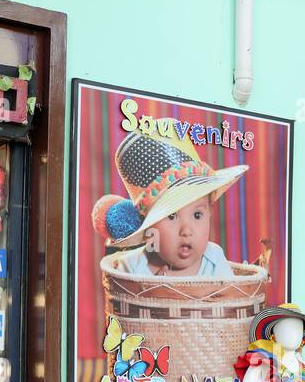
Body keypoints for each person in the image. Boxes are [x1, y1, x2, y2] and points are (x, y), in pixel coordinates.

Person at [92, 118, 246, 278]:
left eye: (197, 215)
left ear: (209, 213)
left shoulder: (214, 258)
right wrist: (151, 291)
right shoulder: (130, 267)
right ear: (149, 230)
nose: (186, 231)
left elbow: (231, 300)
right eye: (171, 216)